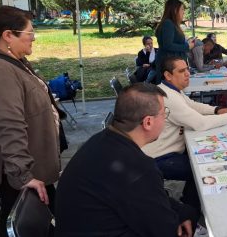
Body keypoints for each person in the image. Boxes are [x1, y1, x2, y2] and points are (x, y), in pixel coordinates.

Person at [55, 83, 198, 237]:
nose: (165, 118)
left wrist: (182, 211)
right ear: (148, 122)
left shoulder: (100, 141)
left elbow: (149, 198)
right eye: (164, 114)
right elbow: (165, 230)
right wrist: (187, 216)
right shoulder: (138, 169)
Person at [0, 6, 64, 237]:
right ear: (8, 35)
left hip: (34, 168)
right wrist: (24, 175)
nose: (34, 38)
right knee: (21, 220)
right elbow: (8, 123)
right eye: (30, 33)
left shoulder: (14, 61)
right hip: (22, 174)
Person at [142, 56, 227, 210]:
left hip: (166, 152)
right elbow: (200, 123)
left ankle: (190, 205)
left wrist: (216, 110)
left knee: (205, 161)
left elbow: (191, 105)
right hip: (158, 158)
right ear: (168, 75)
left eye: (188, 70)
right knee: (203, 170)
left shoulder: (170, 90)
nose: (187, 74)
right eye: (181, 71)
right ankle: (190, 212)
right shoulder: (168, 97)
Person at [154, 0, 195, 83]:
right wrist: (187, 46)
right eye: (182, 9)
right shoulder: (168, 24)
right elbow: (168, 45)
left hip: (172, 62)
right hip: (169, 63)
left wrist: (187, 42)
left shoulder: (171, 24)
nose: (183, 12)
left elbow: (173, 42)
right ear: (175, 10)